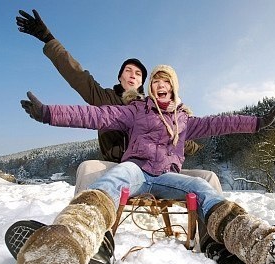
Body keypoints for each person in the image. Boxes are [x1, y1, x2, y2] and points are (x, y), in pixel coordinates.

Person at [16, 64, 275, 264]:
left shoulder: (184, 120)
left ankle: (272, 254)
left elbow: (219, 123)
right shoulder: (135, 111)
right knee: (114, 177)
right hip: (135, 169)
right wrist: (49, 113)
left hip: (166, 176)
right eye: (155, 80)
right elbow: (94, 115)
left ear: (174, 86)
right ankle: (69, 245)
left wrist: (254, 123)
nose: (158, 83)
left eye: (165, 79)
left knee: (206, 189)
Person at [15, 9, 222, 193]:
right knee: (87, 168)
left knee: (209, 178)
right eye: (128, 71)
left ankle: (213, 235)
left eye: (139, 73)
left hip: (160, 171)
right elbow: (77, 75)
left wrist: (201, 134)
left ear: (143, 83)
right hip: (118, 168)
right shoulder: (105, 98)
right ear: (120, 77)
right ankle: (88, 229)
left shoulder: (156, 111)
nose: (133, 75)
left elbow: (182, 139)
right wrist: (49, 40)